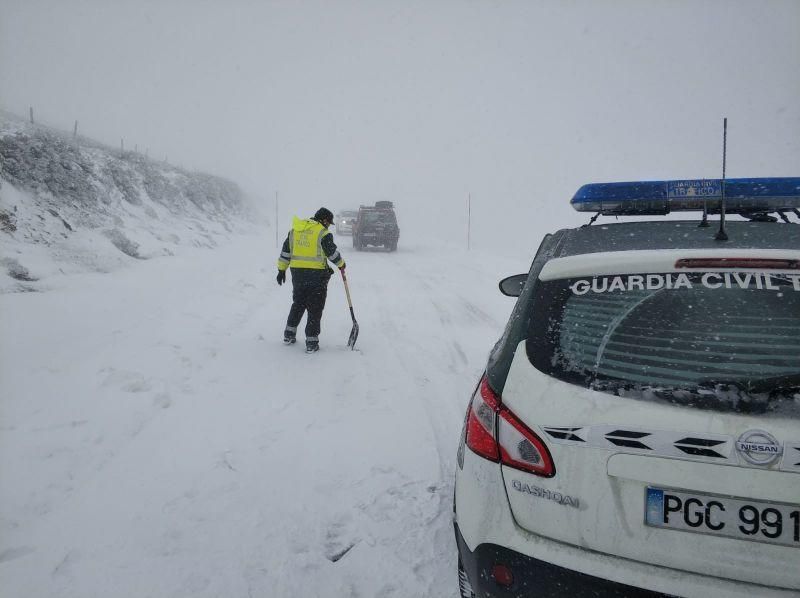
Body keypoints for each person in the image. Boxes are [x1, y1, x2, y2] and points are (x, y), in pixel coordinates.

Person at [276, 207, 346, 352]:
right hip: (317, 276)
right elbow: (331, 253)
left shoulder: (295, 230)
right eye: (329, 222)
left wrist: (281, 270)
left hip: (298, 275)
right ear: (324, 220)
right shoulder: (323, 233)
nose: (328, 225)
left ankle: (289, 335)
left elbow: (285, 252)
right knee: (315, 308)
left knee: (298, 303)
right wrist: (341, 264)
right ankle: (311, 342)